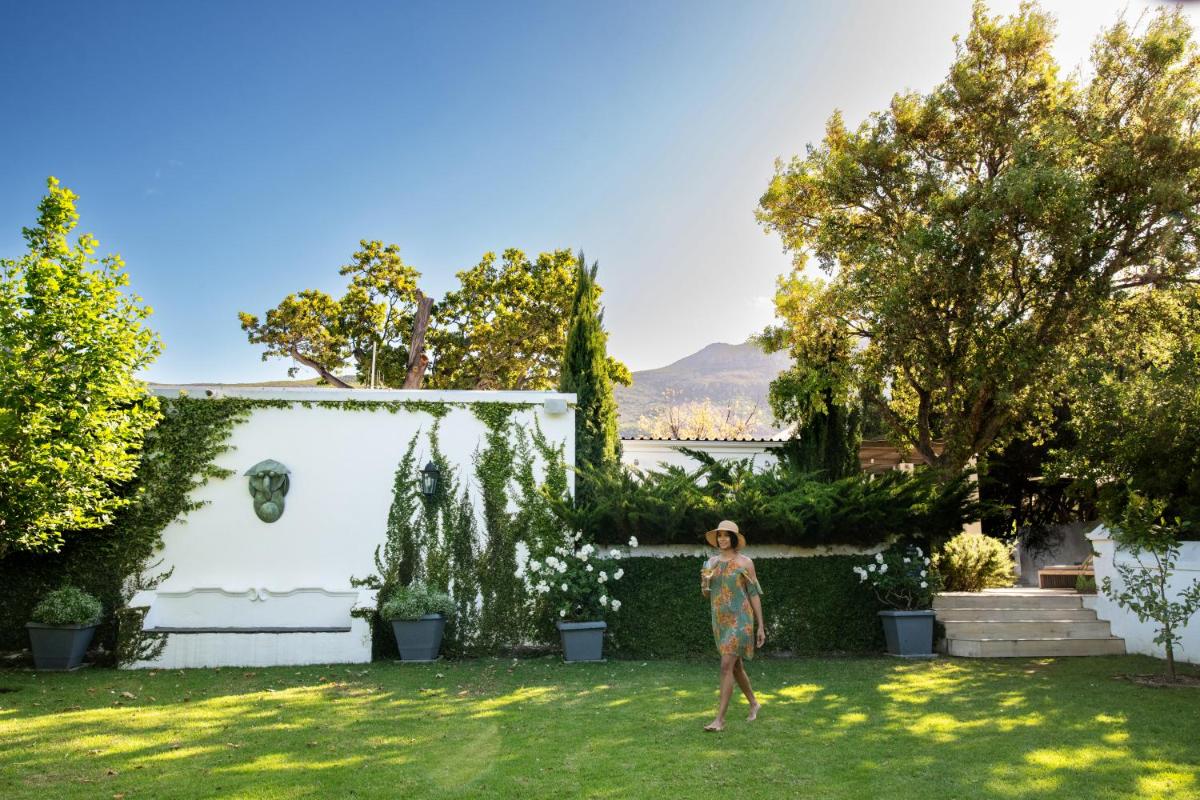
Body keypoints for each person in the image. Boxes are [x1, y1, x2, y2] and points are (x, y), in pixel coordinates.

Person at [700, 519, 764, 732]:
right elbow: (705, 593)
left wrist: (760, 626)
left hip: (741, 619)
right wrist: (705, 582)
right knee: (735, 667)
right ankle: (754, 703)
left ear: (734, 538)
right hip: (720, 621)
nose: (722, 539)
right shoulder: (710, 563)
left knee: (726, 665)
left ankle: (719, 720)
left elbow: (753, 594)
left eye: (726, 535)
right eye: (720, 535)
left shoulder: (746, 563)